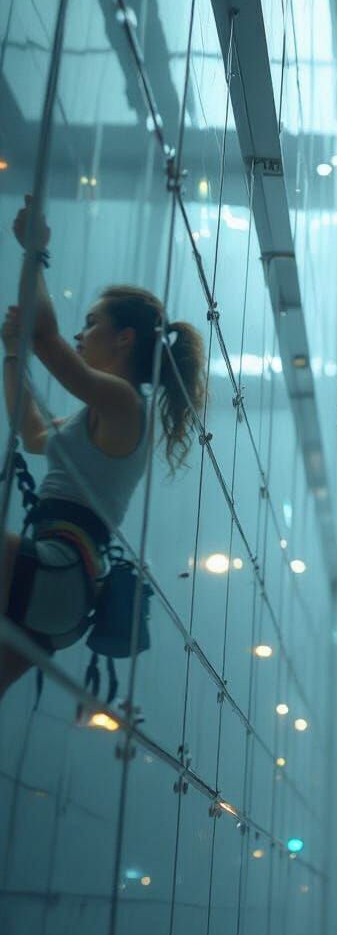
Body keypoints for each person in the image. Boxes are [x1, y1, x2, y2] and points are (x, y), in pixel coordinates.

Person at [0, 196, 206, 700]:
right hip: (63, 588)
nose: (80, 332)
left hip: (58, 569)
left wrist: (34, 252)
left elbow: (47, 337)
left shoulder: (122, 401)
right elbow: (32, 436)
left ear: (124, 339)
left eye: (92, 322)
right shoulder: (103, 413)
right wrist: (12, 354)